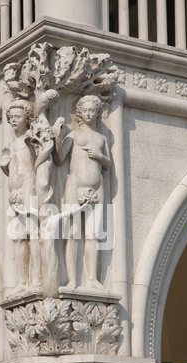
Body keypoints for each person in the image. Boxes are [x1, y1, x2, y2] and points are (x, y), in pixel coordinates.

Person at [54, 95, 112, 291]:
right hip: (74, 186)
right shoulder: (74, 135)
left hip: (97, 189)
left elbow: (108, 164)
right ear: (79, 113)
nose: (88, 114)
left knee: (94, 234)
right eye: (85, 111)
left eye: (92, 111)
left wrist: (99, 156)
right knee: (73, 234)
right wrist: (56, 136)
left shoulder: (101, 138)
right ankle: (72, 279)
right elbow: (60, 158)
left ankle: (91, 279)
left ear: (97, 114)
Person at [1, 99, 42, 294]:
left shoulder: (30, 138)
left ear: (27, 118)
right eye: (11, 118)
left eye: (17, 117)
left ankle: (37, 279)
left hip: (29, 189)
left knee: (33, 234)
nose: (13, 120)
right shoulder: (11, 142)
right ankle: (22, 282)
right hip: (15, 194)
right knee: (18, 237)